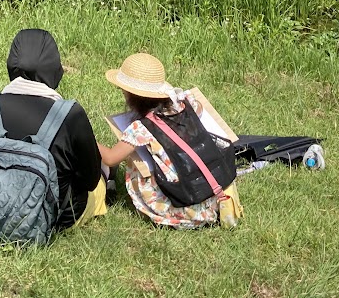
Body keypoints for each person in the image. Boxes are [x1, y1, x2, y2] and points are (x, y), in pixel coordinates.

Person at [0, 28, 105, 231]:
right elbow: (90, 181)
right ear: (54, 67)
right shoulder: (71, 114)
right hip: (55, 219)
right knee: (101, 184)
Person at [97, 52, 242, 229]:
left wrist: (85, 138)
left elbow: (111, 158)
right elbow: (200, 107)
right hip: (213, 197)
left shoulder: (140, 128)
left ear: (130, 95)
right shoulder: (184, 103)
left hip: (182, 206)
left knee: (136, 162)